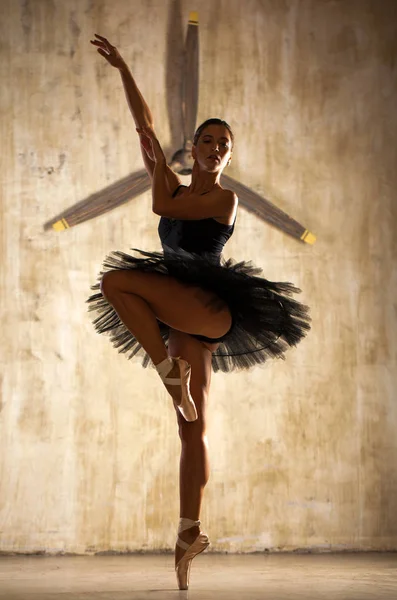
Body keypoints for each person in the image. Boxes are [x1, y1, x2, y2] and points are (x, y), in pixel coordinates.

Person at [88, 34, 311, 590]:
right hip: (180, 315)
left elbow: (165, 203)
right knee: (191, 425)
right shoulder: (171, 179)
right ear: (193, 146)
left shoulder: (223, 199)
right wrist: (123, 70)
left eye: (222, 144)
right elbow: (143, 130)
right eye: (206, 140)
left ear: (228, 155)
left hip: (210, 308)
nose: (214, 148)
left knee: (117, 281)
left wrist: (161, 172)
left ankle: (169, 373)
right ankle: (191, 532)